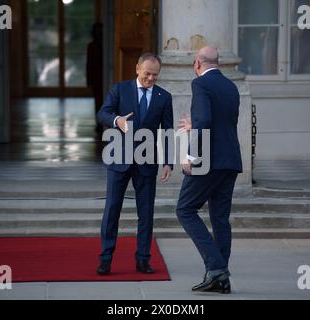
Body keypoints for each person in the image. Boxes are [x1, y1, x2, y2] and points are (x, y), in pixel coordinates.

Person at [96, 53, 174, 275]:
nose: (151, 78)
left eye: (155, 75)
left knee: (146, 213)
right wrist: (116, 121)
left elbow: (167, 131)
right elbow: (102, 113)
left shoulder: (164, 97)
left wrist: (168, 161)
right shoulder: (120, 90)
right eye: (147, 73)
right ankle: (105, 259)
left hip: (147, 162)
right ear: (137, 68)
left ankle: (143, 260)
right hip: (119, 159)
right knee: (112, 210)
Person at [176, 46, 242, 293]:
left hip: (209, 161)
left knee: (185, 209)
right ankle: (220, 279)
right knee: (220, 219)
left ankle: (216, 269)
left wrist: (191, 156)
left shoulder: (200, 85)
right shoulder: (231, 86)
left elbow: (205, 121)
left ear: (197, 63)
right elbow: (223, 122)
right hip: (231, 160)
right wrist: (197, 122)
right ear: (219, 63)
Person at [86, 22, 104, 135]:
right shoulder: (91, 46)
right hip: (96, 76)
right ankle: (99, 122)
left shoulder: (106, 45)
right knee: (98, 101)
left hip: (101, 75)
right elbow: (88, 64)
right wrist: (89, 79)